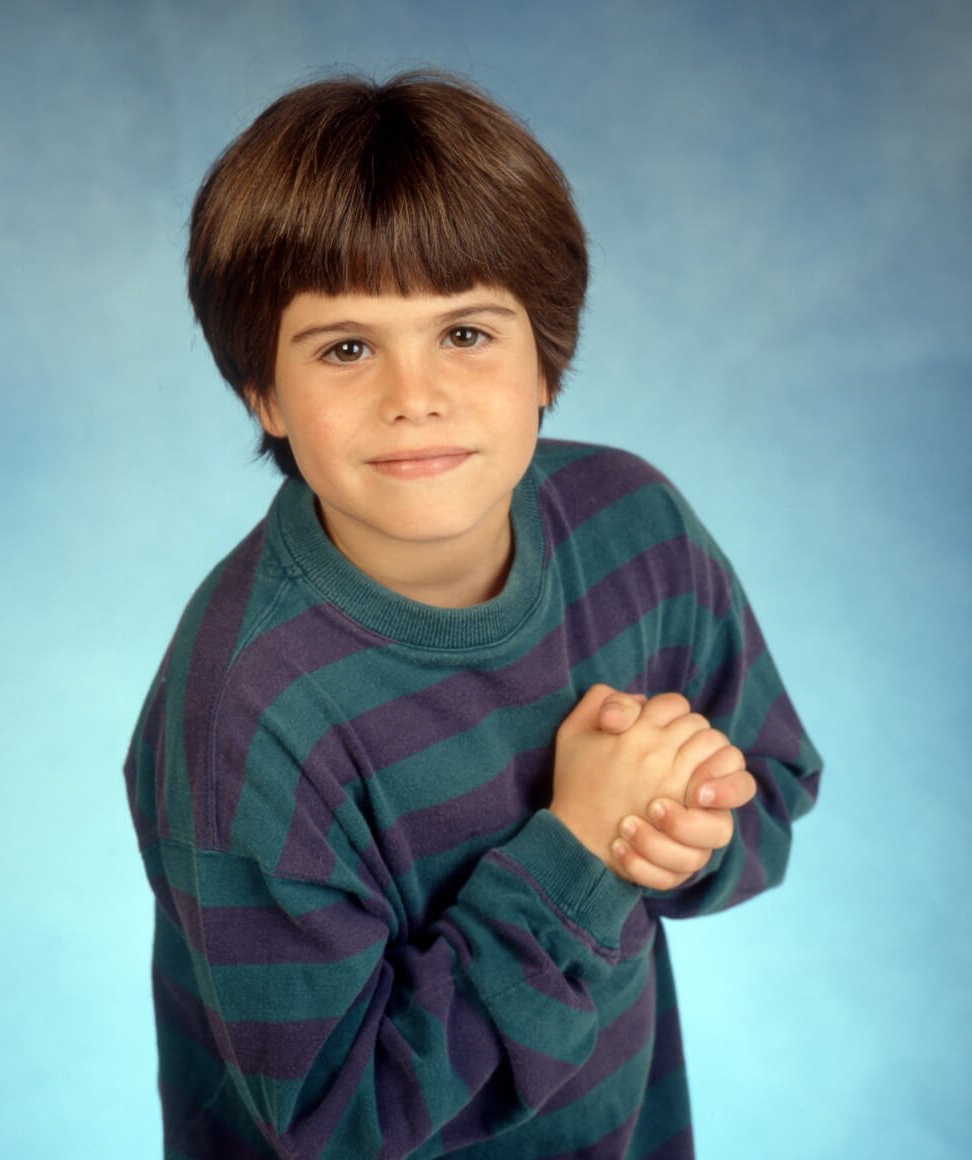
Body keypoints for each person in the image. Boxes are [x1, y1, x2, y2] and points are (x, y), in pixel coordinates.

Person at [124, 71, 822, 1159]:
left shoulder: (636, 528)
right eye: (346, 347)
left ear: (545, 357)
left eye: (465, 334)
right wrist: (582, 846)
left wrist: (690, 834)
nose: (416, 394)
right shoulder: (247, 716)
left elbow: (772, 784)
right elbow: (339, 1119)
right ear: (263, 390)